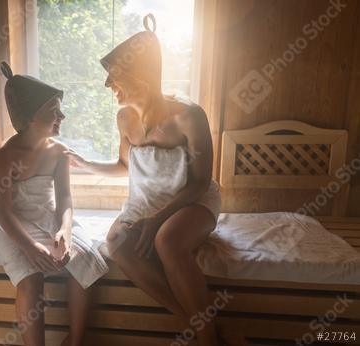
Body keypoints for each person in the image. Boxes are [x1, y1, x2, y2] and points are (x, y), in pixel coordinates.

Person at [65, 15, 248, 346]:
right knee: (117, 242)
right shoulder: (124, 118)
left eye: (115, 75)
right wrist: (86, 163)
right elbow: (125, 165)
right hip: (147, 201)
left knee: (167, 241)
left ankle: (206, 340)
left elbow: (200, 181)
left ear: (142, 77)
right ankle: (204, 327)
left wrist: (157, 219)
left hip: (192, 200)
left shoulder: (188, 116)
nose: (108, 84)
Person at [0, 62, 108, 346]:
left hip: (48, 214)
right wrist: (30, 247)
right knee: (32, 280)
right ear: (32, 117)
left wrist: (64, 232)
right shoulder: (6, 155)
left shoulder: (58, 152)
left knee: (86, 260)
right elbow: (2, 211)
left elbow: (65, 197)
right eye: (54, 111)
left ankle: (75, 340)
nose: (62, 116)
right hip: (14, 222)